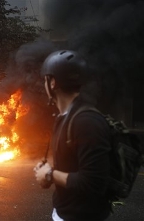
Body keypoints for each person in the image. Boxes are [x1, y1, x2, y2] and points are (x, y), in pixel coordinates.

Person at [34, 50, 112, 221]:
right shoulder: (65, 117)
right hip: (64, 212)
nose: (44, 85)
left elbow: (93, 183)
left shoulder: (86, 122)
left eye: (45, 80)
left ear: (52, 82)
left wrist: (50, 175)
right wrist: (47, 172)